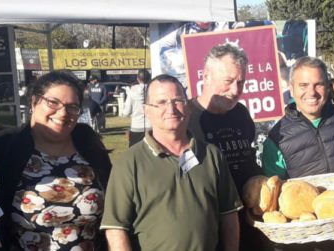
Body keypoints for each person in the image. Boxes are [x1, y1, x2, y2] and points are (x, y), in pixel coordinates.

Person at [101, 75, 242, 251]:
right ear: (146, 110)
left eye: (177, 101)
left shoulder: (212, 155)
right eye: (161, 102)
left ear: (188, 106)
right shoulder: (129, 164)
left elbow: (229, 217)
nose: (171, 109)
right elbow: (116, 230)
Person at [0, 71, 112, 250]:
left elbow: (114, 211)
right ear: (34, 102)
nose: (63, 113)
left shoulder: (91, 148)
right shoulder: (4, 148)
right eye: (53, 102)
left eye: (72, 106)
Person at [262, 57, 334, 251]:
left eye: (318, 84)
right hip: (309, 240)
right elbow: (273, 194)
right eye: (303, 85)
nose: (311, 92)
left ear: (328, 87)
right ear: (292, 87)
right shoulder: (277, 137)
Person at [186, 44, 265, 250]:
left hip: (249, 223)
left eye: (241, 82)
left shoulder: (241, 113)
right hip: (209, 228)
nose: (236, 91)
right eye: (228, 82)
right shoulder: (186, 118)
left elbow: (248, 156)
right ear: (206, 76)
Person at [121, 69, 152, 146]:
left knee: (136, 153)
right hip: (152, 127)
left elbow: (126, 112)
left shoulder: (132, 92)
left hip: (136, 126)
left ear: (137, 78)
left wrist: (123, 114)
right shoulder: (154, 90)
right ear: (149, 78)